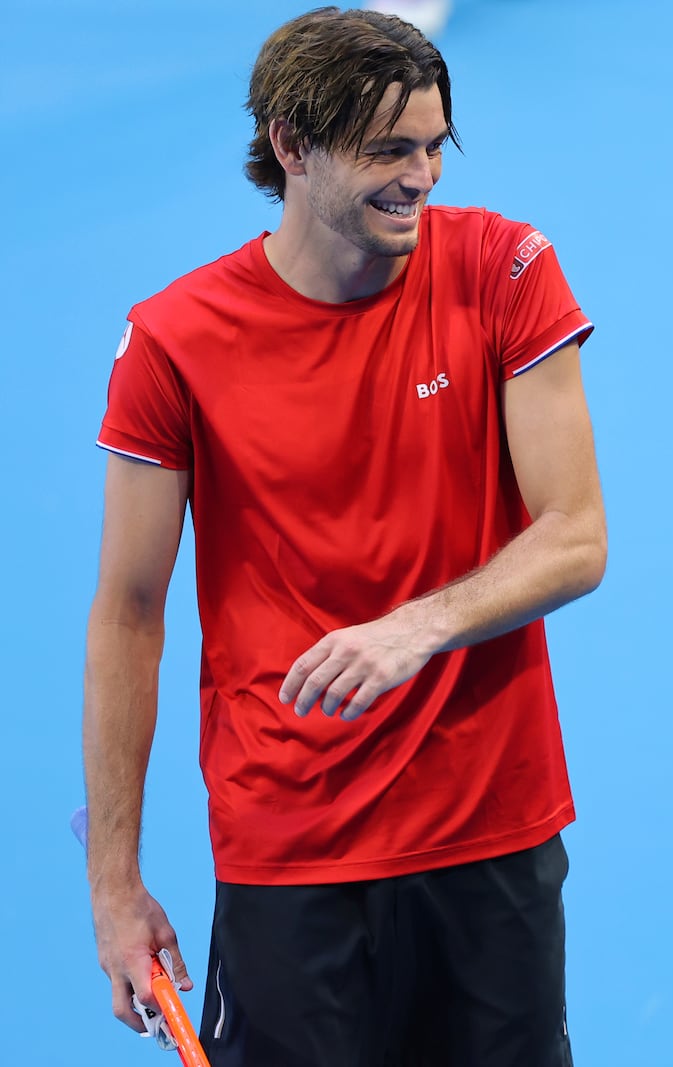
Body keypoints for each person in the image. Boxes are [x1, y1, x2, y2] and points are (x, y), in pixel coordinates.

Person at [82, 8, 604, 1065]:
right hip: (292, 851)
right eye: (387, 152)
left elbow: (575, 535)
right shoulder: (172, 342)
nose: (420, 179)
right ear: (292, 145)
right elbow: (129, 616)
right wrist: (116, 890)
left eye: (431, 148)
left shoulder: (508, 267)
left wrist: (416, 626)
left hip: (489, 834)